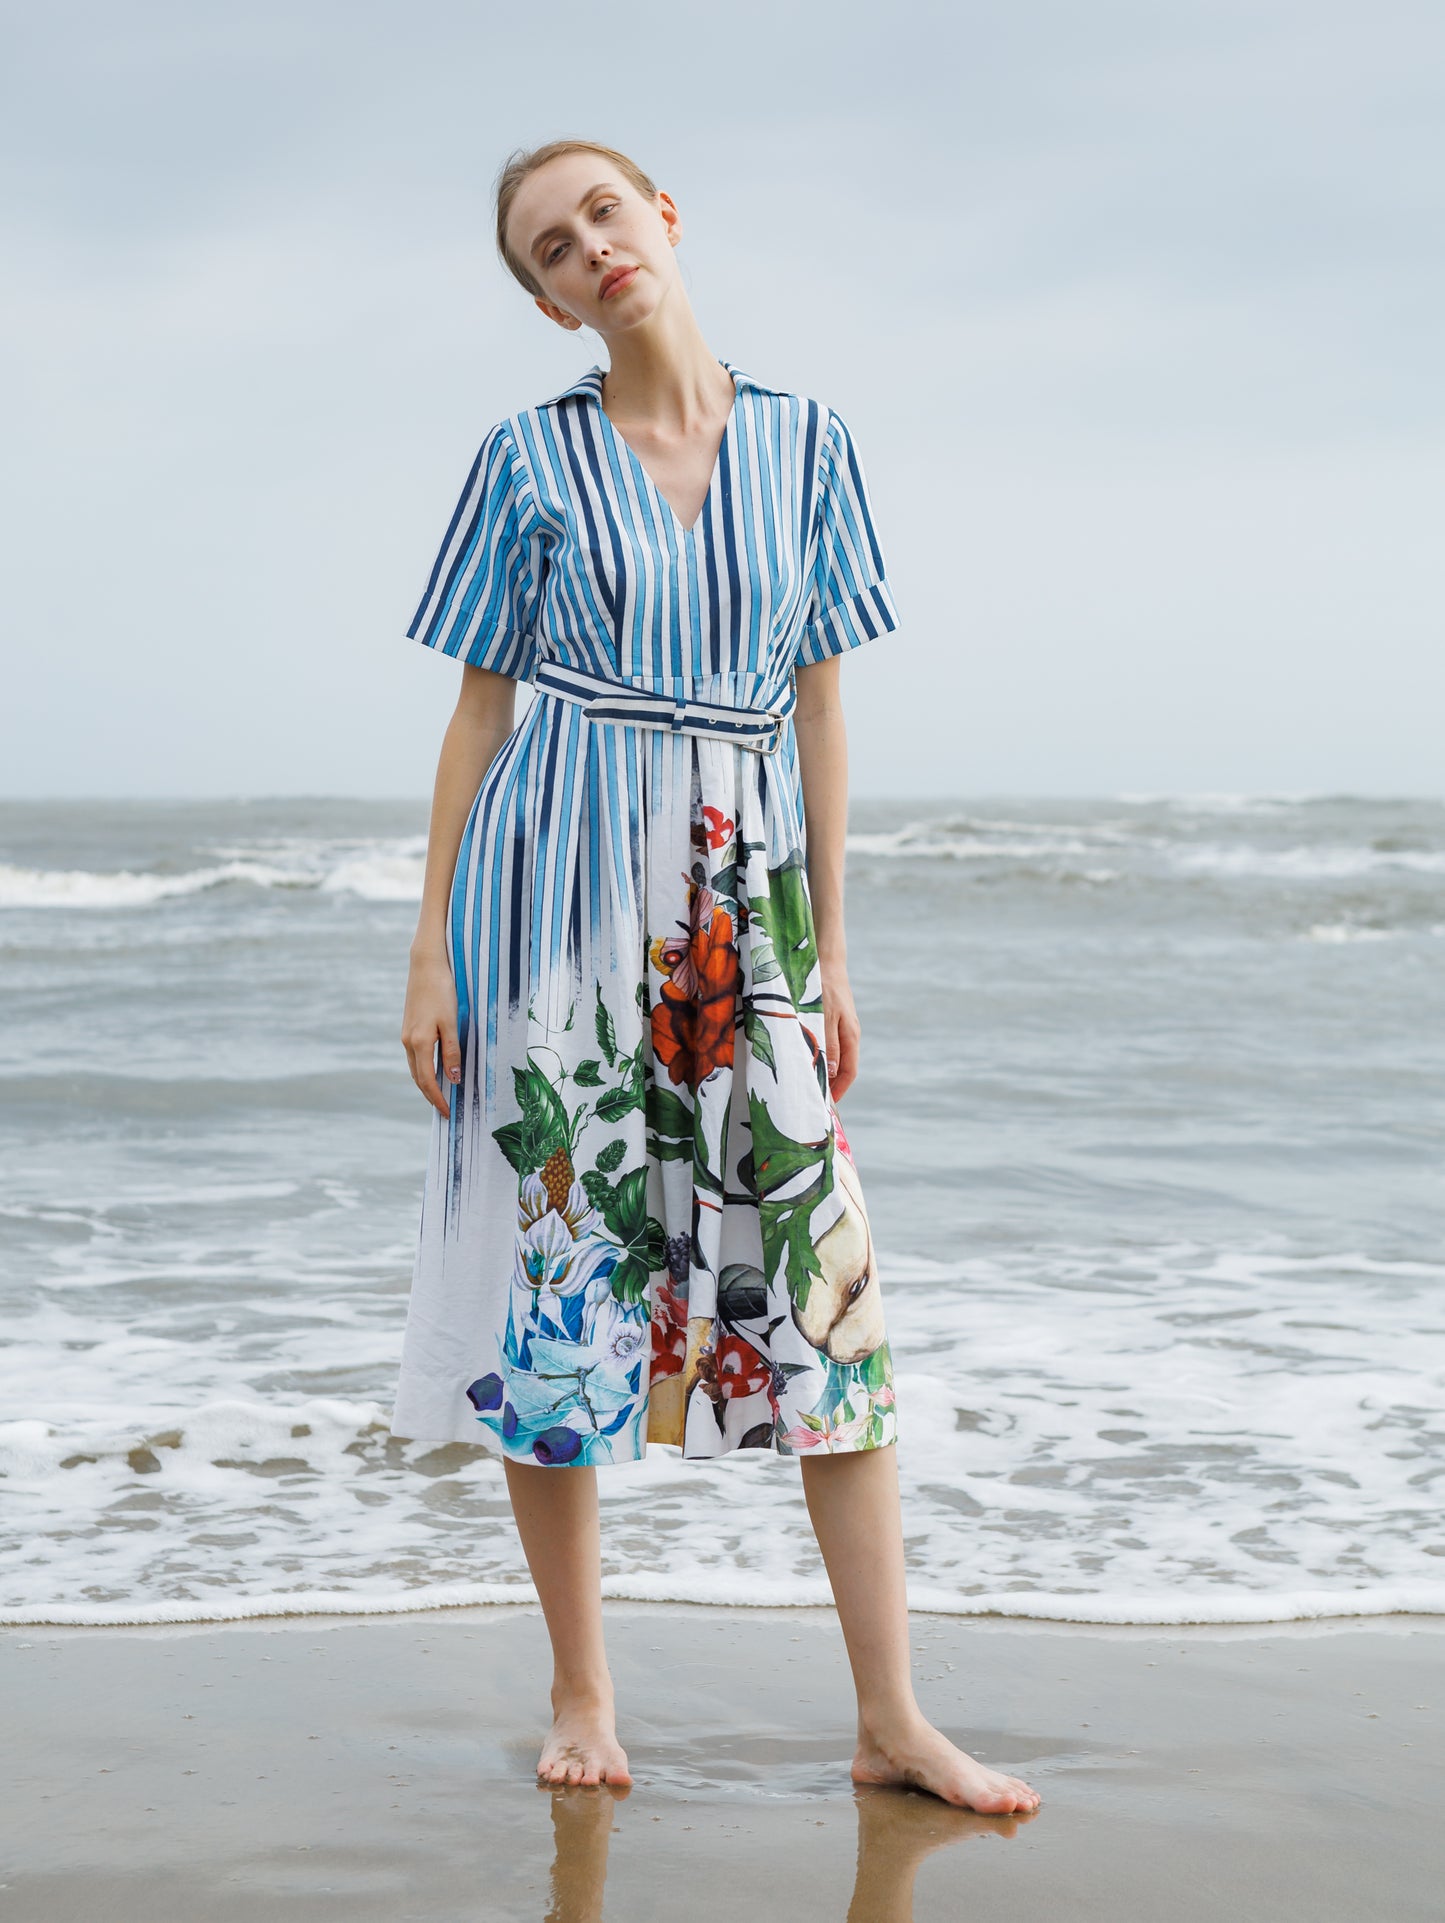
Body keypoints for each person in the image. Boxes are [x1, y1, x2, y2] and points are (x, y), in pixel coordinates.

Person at [394, 137, 1039, 1818]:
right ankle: (582, 1691)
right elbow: (477, 710)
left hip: (745, 905)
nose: (589, 247)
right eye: (551, 248)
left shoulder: (811, 442)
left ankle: (892, 1717)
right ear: (546, 303)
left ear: (663, 217)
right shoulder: (524, 460)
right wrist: (430, 951)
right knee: (562, 1282)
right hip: (555, 901)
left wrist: (830, 956)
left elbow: (821, 705)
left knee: (824, 1293)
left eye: (603, 212)